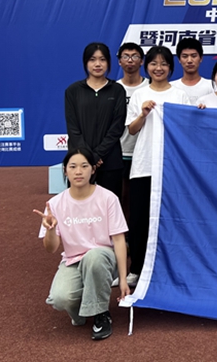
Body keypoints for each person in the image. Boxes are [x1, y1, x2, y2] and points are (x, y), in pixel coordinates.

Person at [34, 148, 129, 341]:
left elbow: (119, 240)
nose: (78, 171)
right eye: (73, 167)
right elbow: (51, 248)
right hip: (74, 260)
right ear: (65, 170)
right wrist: (51, 229)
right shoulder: (55, 204)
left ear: (93, 170)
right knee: (60, 299)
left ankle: (101, 314)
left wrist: (123, 279)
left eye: (84, 166)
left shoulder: (108, 198)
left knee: (94, 257)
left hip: (103, 258)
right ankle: (84, 308)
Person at [125, 45, 191, 286]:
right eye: (154, 63)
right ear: (147, 66)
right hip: (144, 165)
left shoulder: (180, 95)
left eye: (164, 63)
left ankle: (169, 269)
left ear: (171, 68)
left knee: (170, 219)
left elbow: (188, 127)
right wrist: (143, 114)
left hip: (172, 168)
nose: (159, 68)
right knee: (139, 220)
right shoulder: (139, 95)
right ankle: (137, 268)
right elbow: (132, 130)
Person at [65, 42, 127, 200]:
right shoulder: (73, 91)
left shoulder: (117, 90)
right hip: (80, 160)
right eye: (92, 59)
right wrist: (88, 156)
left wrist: (97, 155)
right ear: (86, 62)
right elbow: (73, 128)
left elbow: (117, 127)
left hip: (110, 160)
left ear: (108, 63)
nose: (97, 64)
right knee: (79, 207)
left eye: (102, 59)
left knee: (110, 207)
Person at [116, 42, 148, 225]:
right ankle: (122, 235)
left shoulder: (151, 87)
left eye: (135, 56)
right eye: (125, 56)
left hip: (144, 153)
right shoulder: (113, 88)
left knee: (141, 199)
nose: (130, 60)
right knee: (122, 197)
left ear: (142, 61)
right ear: (119, 61)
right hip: (120, 151)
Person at [172, 37, 213, 105]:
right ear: (179, 59)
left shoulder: (212, 86)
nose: (189, 61)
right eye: (185, 56)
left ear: (201, 58)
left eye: (194, 56)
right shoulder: (172, 87)